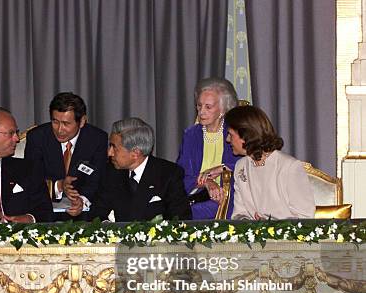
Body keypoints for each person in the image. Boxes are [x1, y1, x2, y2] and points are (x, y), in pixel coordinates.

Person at [71, 117, 191, 221]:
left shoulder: (169, 174)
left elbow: (180, 220)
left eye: (114, 147)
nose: (109, 153)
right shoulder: (110, 172)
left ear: (135, 153)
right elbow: (97, 213)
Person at [24, 92, 108, 220]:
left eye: (66, 124)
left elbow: (97, 179)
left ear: (82, 122)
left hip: (84, 213)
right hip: (46, 211)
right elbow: (31, 180)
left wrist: (82, 200)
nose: (59, 129)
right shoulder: (37, 138)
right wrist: (59, 186)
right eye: (55, 122)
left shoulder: (97, 139)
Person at [224, 105, 315, 220]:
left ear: (245, 136)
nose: (227, 139)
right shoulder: (240, 166)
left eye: (231, 135)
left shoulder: (289, 167)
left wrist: (271, 227)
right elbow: (239, 213)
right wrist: (250, 227)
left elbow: (306, 217)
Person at [176, 78, 240, 219]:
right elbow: (181, 173)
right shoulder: (191, 135)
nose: (201, 112)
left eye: (208, 107)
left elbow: (246, 164)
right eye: (199, 106)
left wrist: (222, 168)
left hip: (229, 196)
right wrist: (206, 183)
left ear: (223, 109)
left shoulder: (234, 133)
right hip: (196, 195)